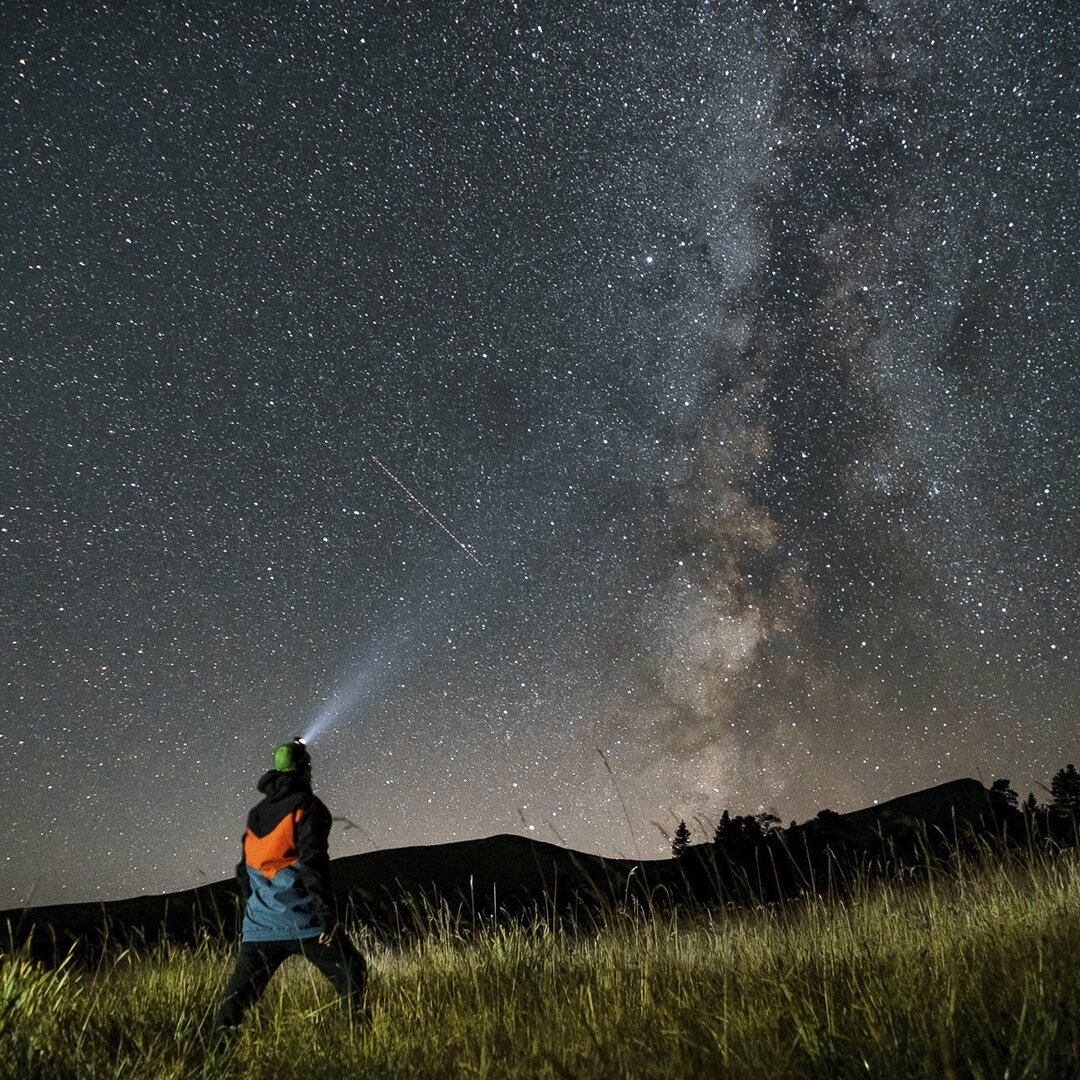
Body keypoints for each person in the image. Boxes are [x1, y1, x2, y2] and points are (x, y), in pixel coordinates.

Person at [213, 737, 366, 1032]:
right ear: (304, 769)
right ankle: (356, 1038)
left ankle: (217, 1055)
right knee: (351, 969)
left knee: (237, 999)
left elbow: (243, 871)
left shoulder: (256, 814)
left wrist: (254, 911)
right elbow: (313, 866)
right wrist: (327, 918)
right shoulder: (309, 807)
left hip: (259, 924)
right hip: (304, 922)